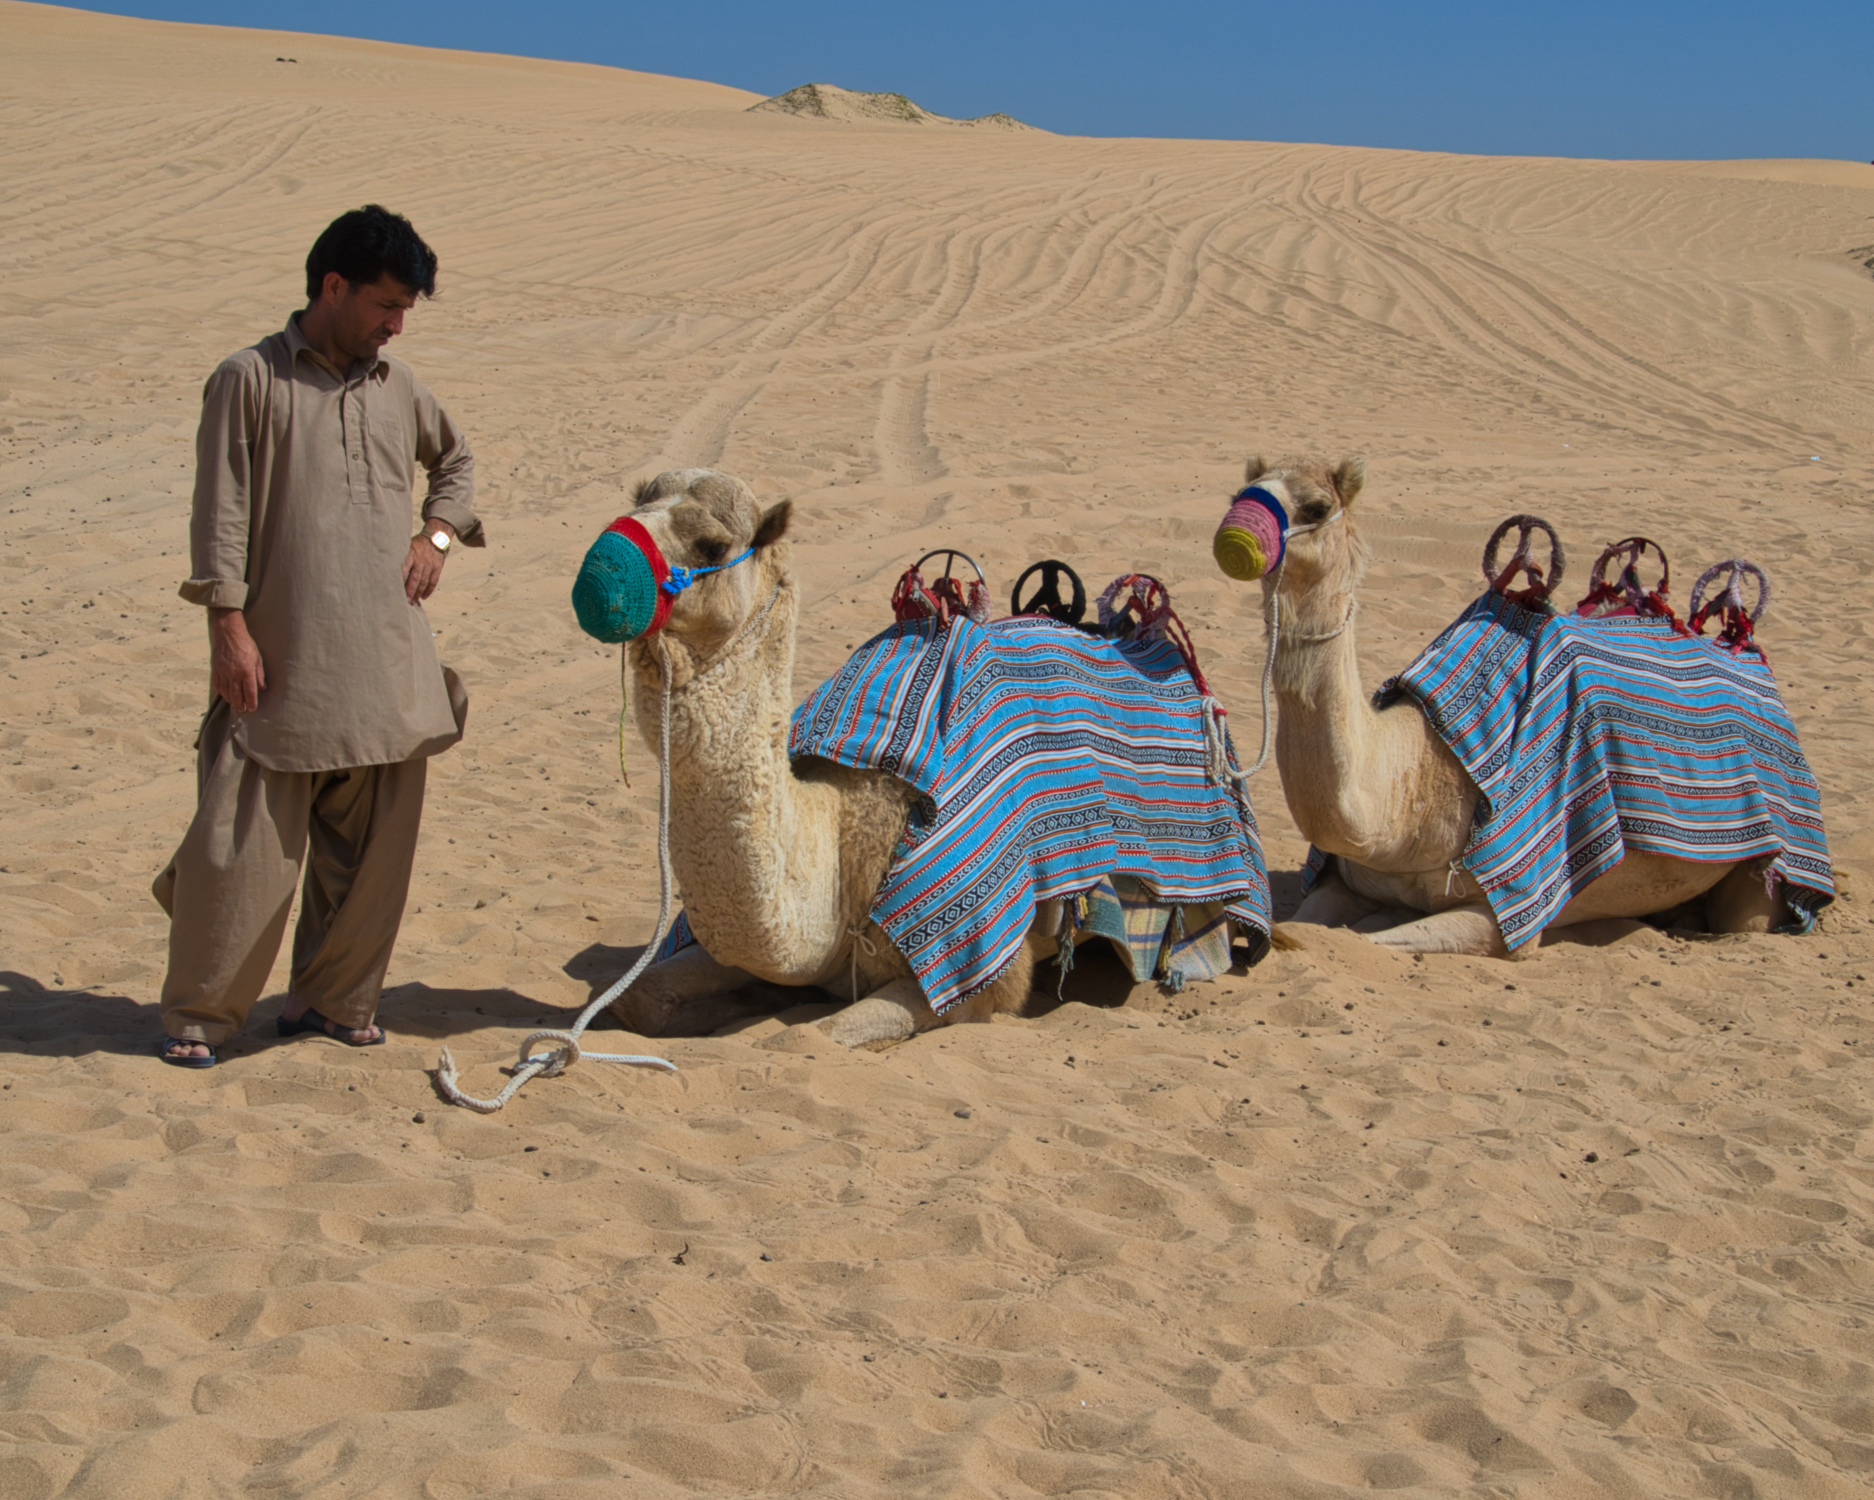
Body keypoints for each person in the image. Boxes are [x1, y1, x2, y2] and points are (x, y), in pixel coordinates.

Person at [152, 205, 481, 1067]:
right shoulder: (250, 379)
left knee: (370, 858)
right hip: (281, 661)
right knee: (239, 853)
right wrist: (228, 627)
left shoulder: (398, 385)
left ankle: (331, 1003)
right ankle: (200, 1016)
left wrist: (436, 538)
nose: (396, 325)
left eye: (406, 309)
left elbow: (456, 464)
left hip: (387, 667)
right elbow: (220, 512)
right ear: (333, 286)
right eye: (386, 304)